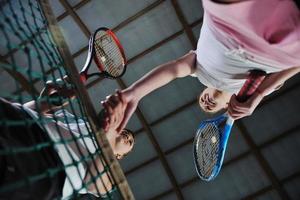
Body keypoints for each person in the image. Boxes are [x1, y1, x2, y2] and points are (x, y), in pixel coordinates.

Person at [104, 0, 300, 133]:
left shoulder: (199, 71)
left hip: (226, 18)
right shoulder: (250, 94)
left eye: (201, 102)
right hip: (283, 49)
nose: (206, 104)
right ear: (226, 106)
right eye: (209, 108)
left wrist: (134, 93)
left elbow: (173, 70)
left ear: (203, 89)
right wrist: (258, 95)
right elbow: (293, 67)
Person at [0, 81, 134, 199]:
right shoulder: (70, 118)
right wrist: (49, 100)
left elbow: (94, 184)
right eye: (126, 131)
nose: (128, 136)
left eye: (130, 142)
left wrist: (110, 133)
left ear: (119, 156)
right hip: (20, 120)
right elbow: (32, 111)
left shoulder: (111, 176)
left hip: (43, 168)